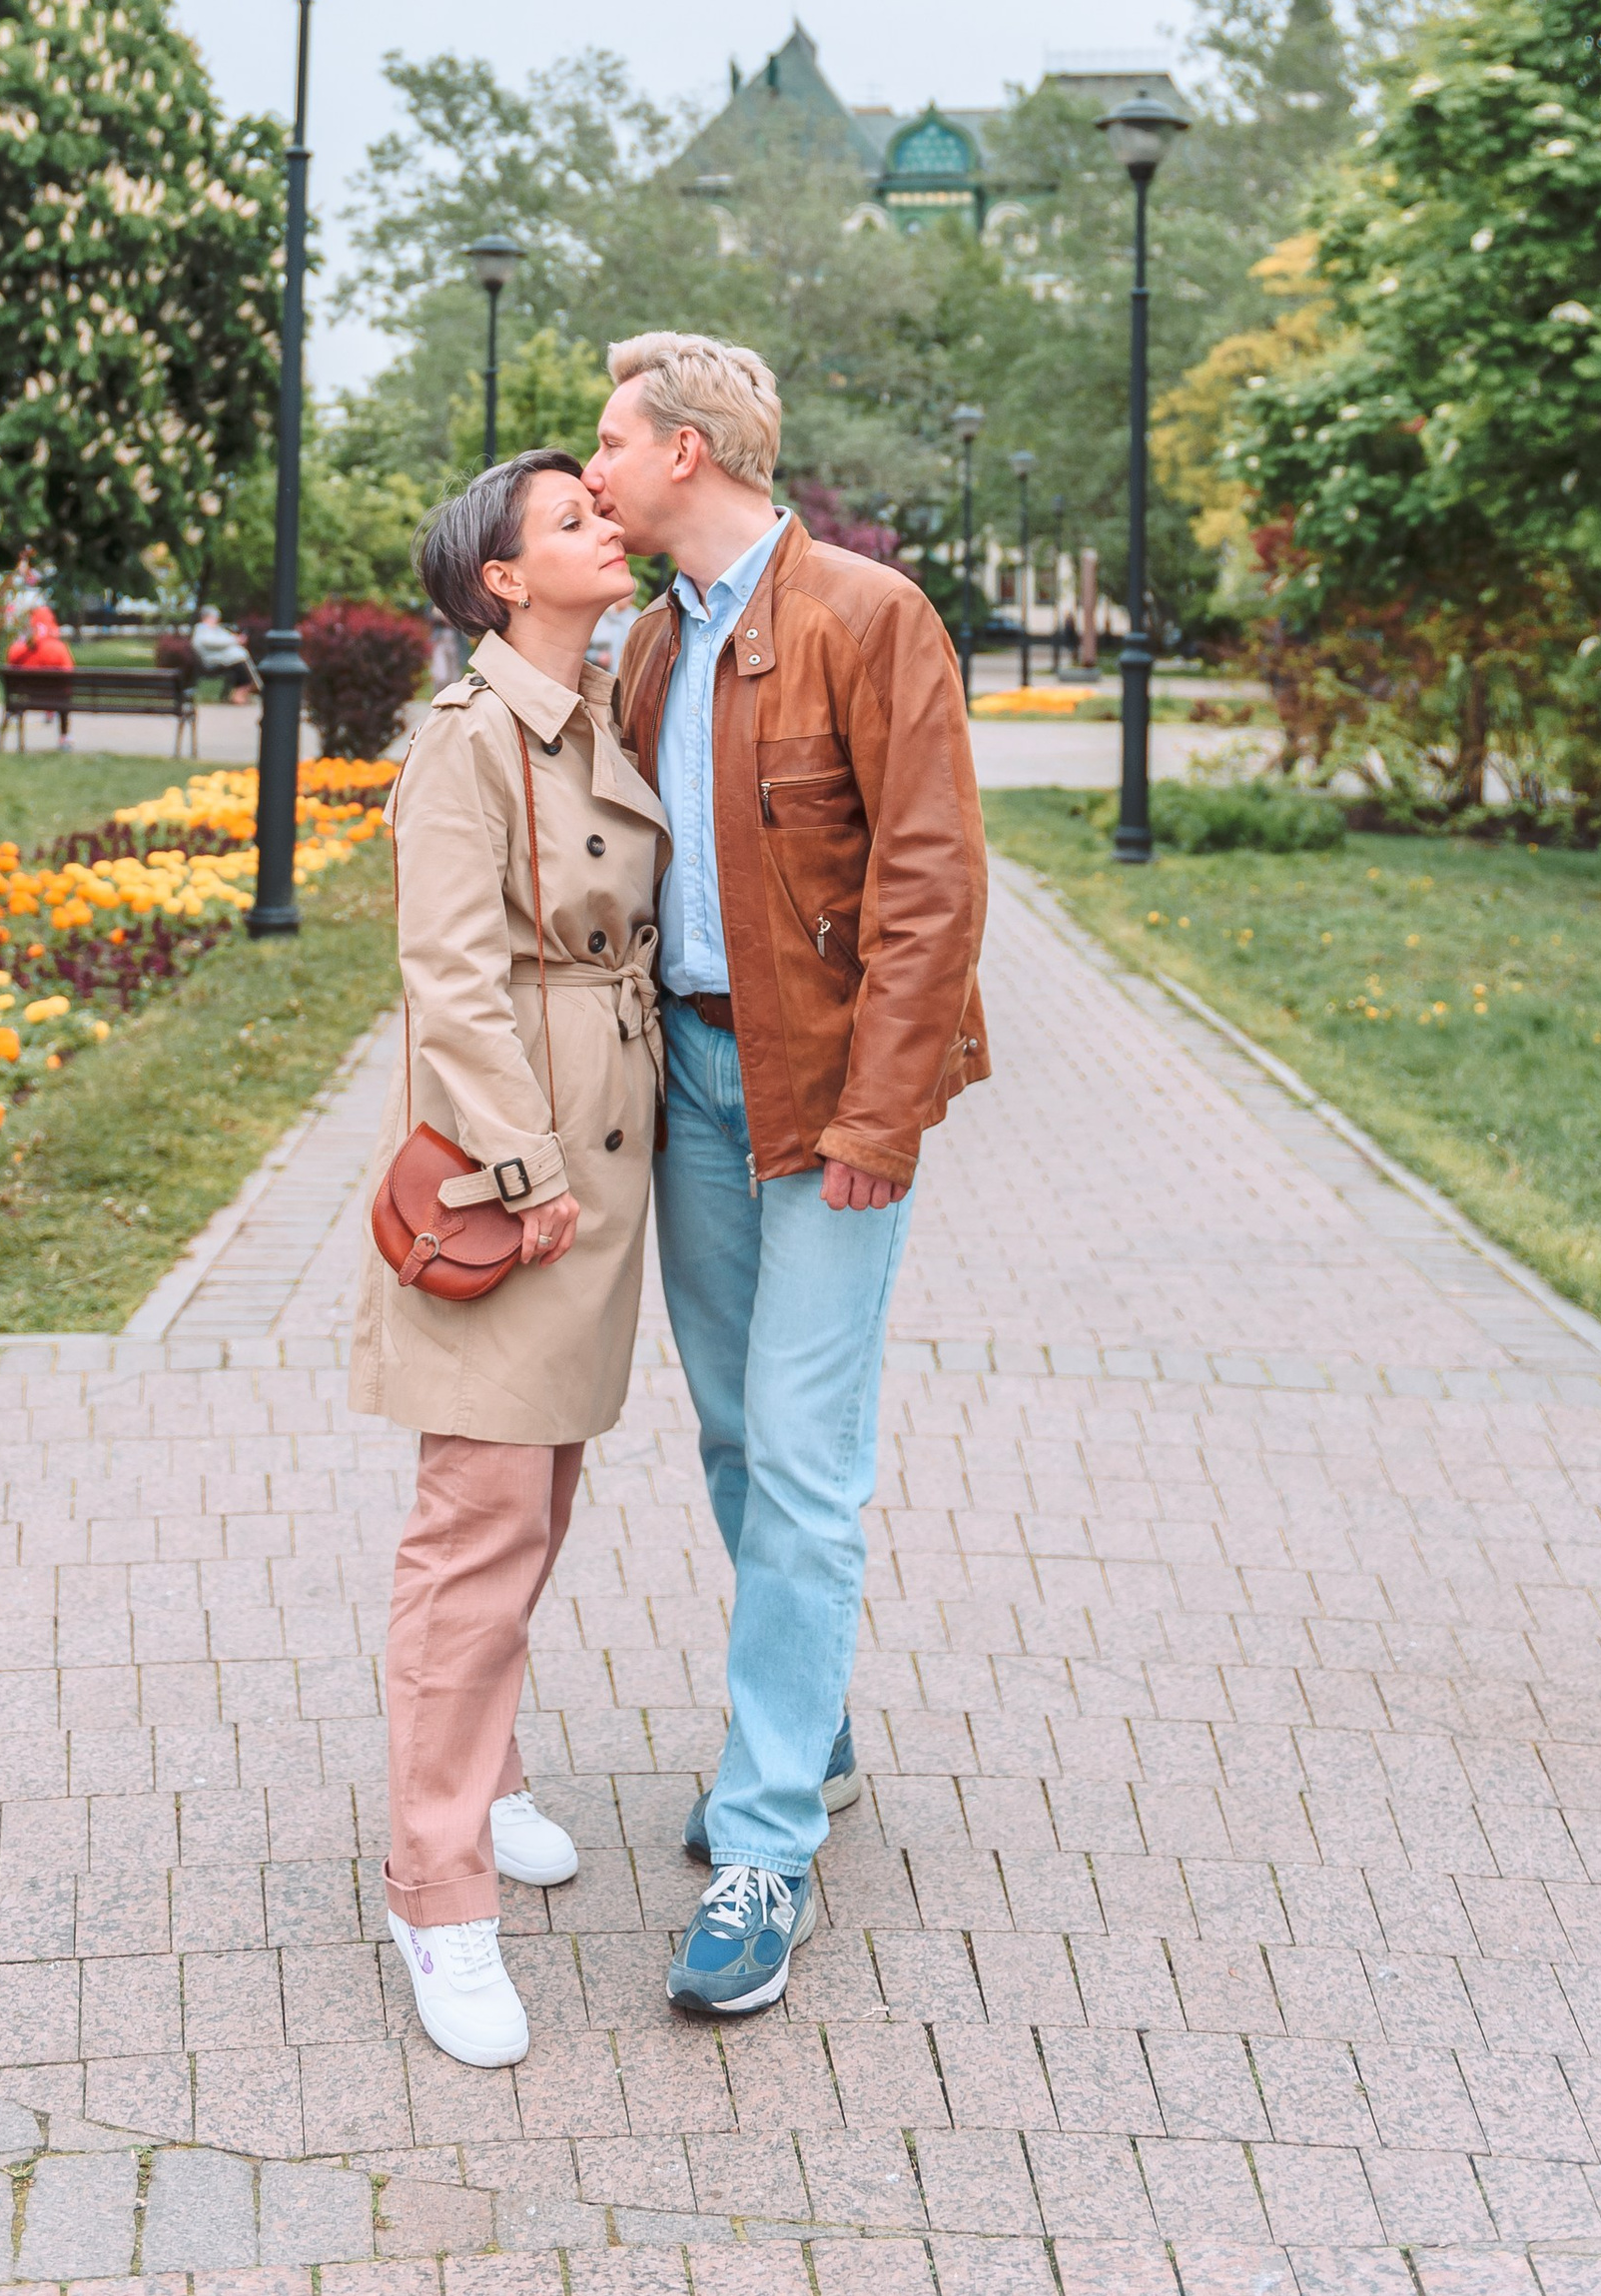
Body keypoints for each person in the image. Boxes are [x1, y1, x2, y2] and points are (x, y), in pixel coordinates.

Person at [586, 332, 989, 2020]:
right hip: (687, 1082)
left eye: (609, 439)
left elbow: (931, 886)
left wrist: (882, 1120)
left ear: (688, 451)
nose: (590, 467)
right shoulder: (649, 642)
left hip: (826, 1096)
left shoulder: (870, 618)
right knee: (738, 1430)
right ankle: (807, 1730)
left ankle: (764, 1848)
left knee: (809, 1454)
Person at [349, 448, 668, 2071]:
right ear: (499, 581)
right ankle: (436, 1888)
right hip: (517, 1168)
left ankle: (494, 1778)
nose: (605, 524)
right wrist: (527, 1167)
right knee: (475, 1525)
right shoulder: (468, 743)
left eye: (599, 505)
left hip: (598, 1155)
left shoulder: (600, 703)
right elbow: (450, 980)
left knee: (538, 1498)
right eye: (570, 519)